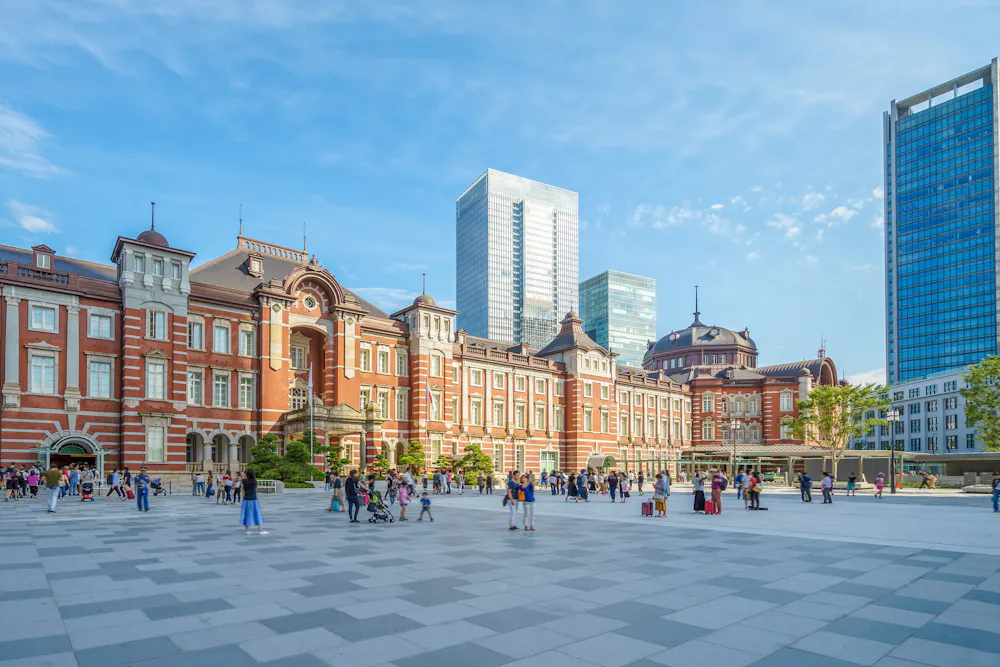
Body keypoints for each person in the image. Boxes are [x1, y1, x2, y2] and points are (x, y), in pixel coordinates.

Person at [240, 469, 269, 535]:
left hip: (246, 500)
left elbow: (241, 481)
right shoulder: (254, 482)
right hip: (253, 499)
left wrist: (243, 475)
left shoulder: (244, 481)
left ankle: (247, 530)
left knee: (246, 514)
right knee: (257, 514)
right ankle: (260, 530)